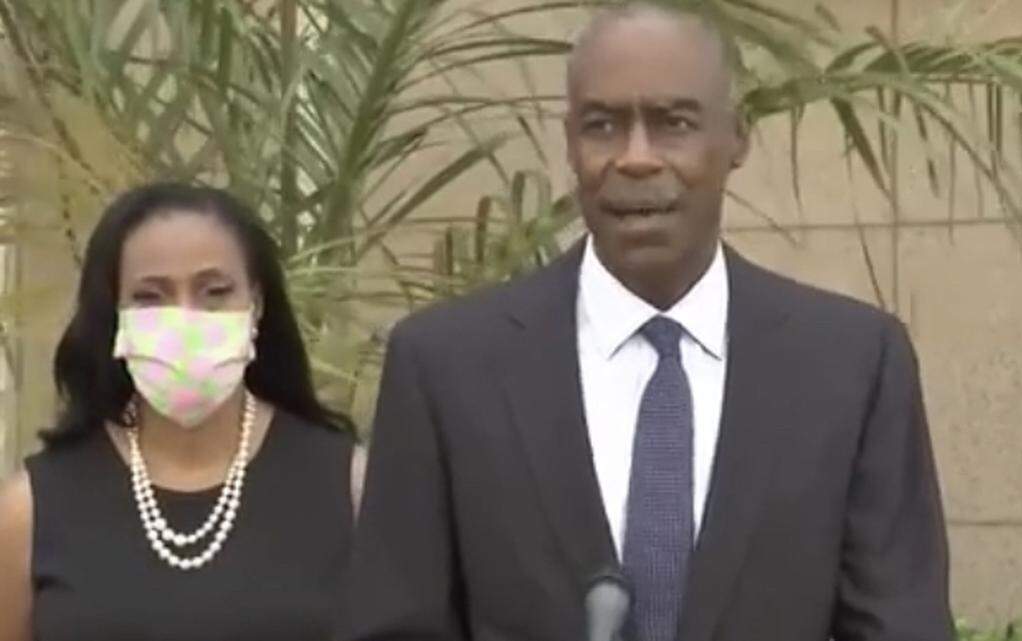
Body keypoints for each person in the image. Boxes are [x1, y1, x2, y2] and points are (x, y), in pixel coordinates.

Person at [340, 3, 954, 641]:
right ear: (571, 144)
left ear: (736, 139)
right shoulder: (445, 366)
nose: (635, 158)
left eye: (673, 124)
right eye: (603, 125)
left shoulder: (851, 365)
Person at [0, 182, 366, 641]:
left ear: (256, 306)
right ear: (115, 314)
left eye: (214, 291)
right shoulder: (30, 510)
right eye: (151, 297)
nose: (185, 318)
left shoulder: (350, 488)